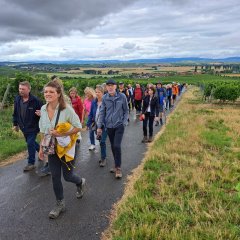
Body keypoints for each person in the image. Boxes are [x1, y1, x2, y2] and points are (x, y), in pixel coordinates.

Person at [38, 80, 85, 219]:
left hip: (67, 147)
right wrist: (41, 148)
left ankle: (80, 182)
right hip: (52, 147)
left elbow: (78, 127)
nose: (48, 94)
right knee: (55, 176)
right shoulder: (43, 109)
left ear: (58, 94)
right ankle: (60, 204)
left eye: (51, 92)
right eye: (46, 92)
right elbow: (42, 130)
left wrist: (61, 134)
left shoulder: (67, 109)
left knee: (68, 176)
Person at [97, 79, 129, 179]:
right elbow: (102, 113)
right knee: (112, 146)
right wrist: (99, 127)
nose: (110, 87)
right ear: (106, 87)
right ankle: (116, 165)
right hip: (109, 126)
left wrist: (124, 122)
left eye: (112, 85)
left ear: (115, 87)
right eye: (108, 86)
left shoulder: (122, 96)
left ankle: (118, 168)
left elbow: (126, 110)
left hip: (119, 125)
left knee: (117, 145)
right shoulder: (105, 98)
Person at [13, 81, 42, 172]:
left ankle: (31, 163)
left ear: (29, 89)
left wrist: (42, 115)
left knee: (30, 143)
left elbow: (44, 113)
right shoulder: (17, 99)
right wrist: (15, 124)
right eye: (20, 88)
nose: (21, 90)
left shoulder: (36, 101)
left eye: (23, 89)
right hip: (23, 127)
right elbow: (15, 113)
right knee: (31, 142)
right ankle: (42, 152)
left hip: (33, 127)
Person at [87, 85, 108, 167]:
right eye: (96, 92)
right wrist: (88, 123)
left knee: (102, 141)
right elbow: (91, 114)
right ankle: (104, 155)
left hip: (105, 125)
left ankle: (103, 158)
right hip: (96, 125)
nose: (97, 93)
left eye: (99, 92)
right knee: (100, 141)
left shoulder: (106, 102)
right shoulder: (94, 102)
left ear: (103, 93)